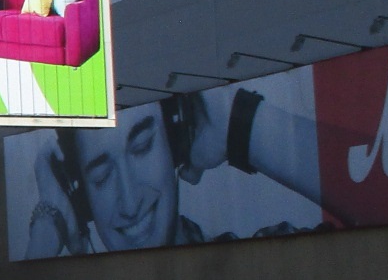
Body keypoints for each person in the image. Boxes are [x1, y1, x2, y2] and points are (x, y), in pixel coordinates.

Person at [22, 85, 325, 257]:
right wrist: (50, 220)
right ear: (80, 196)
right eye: (101, 177)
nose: (130, 203)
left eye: (142, 147)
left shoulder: (264, 256)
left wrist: (241, 124)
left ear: (176, 142)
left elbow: (369, 192)